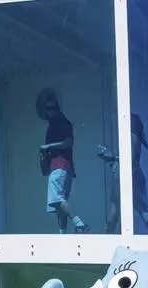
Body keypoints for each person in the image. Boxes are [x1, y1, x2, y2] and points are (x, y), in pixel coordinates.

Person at [37, 87, 89, 234]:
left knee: (57, 199)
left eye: (52, 108)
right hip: (61, 167)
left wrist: (48, 146)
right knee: (59, 204)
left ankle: (80, 223)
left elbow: (68, 142)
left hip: (60, 166)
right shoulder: (55, 123)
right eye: (48, 108)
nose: (50, 111)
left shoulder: (61, 122)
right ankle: (62, 233)